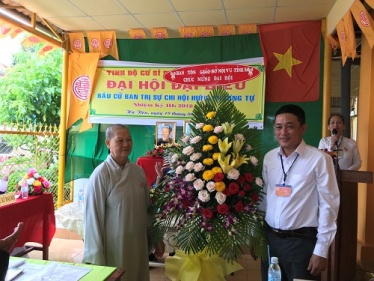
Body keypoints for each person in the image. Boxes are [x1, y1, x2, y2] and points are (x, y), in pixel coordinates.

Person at [261, 104, 340, 281]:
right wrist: (257, 237)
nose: (283, 132)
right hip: (271, 241)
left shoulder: (319, 159)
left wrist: (321, 249)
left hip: (301, 243)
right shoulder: (269, 158)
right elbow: (265, 198)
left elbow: (329, 205)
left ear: (303, 128)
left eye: (290, 126)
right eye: (278, 127)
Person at [82, 124, 164, 281]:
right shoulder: (101, 174)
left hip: (138, 243)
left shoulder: (138, 171)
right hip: (114, 246)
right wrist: (95, 256)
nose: (126, 144)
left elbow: (148, 208)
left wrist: (156, 237)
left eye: (129, 140)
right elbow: (93, 218)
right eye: (120, 140)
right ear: (108, 143)